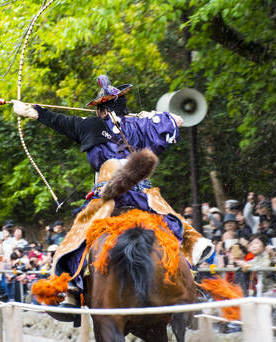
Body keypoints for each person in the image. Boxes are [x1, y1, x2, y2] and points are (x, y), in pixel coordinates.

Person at [12, 74, 213, 313]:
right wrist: (150, 117)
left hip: (107, 197)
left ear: (102, 110)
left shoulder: (90, 125)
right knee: (175, 230)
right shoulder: (143, 125)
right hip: (144, 197)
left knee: (77, 238)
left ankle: (72, 291)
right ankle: (190, 284)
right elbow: (178, 120)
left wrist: (29, 109)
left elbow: (56, 119)